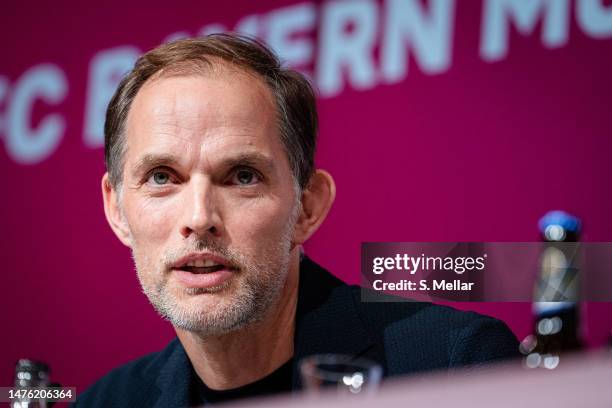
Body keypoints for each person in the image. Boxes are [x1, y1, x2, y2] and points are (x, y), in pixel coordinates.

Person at [75, 34, 518, 407]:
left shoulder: (454, 366)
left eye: (243, 177)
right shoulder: (106, 401)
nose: (199, 217)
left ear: (307, 206)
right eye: (161, 177)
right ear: (116, 209)